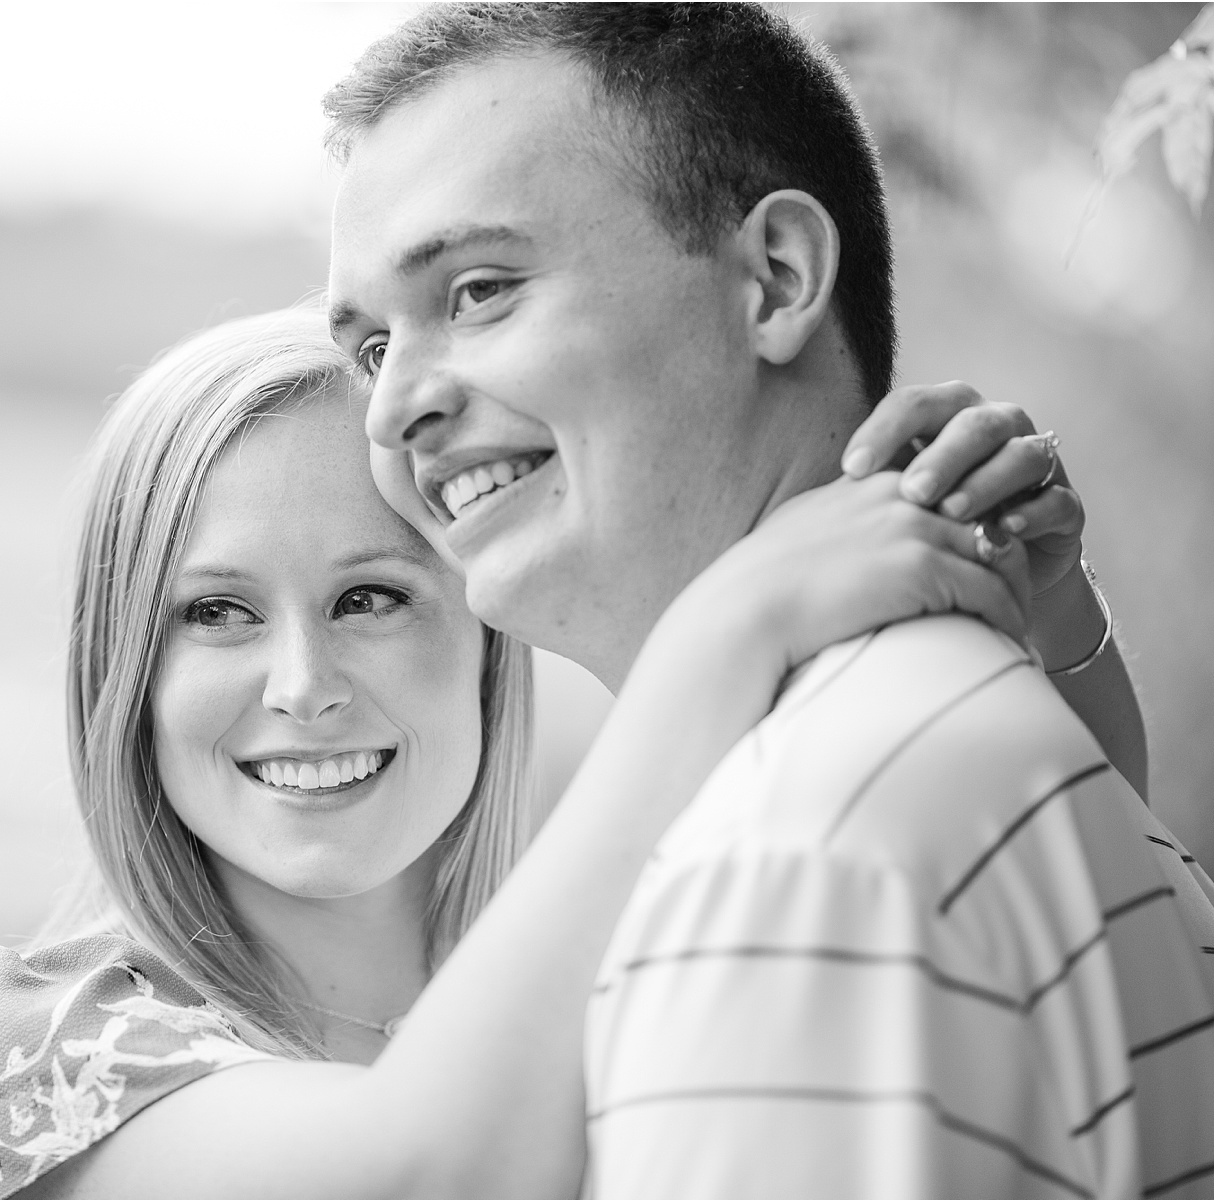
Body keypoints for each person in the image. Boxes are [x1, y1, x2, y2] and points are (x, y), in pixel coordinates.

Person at [0, 305, 1141, 1199]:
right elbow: (425, 1170)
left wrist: (1044, 610)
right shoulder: (9, 1052)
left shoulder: (619, 964)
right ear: (125, 674)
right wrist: (731, 626)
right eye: (215, 612)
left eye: (373, 597)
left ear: (483, 642)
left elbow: (1052, 919)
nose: (303, 687)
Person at [323, 4, 1212, 1197]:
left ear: (775, 279)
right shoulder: (960, 738)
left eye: (478, 289)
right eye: (372, 347)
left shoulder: (797, 860)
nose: (392, 412)